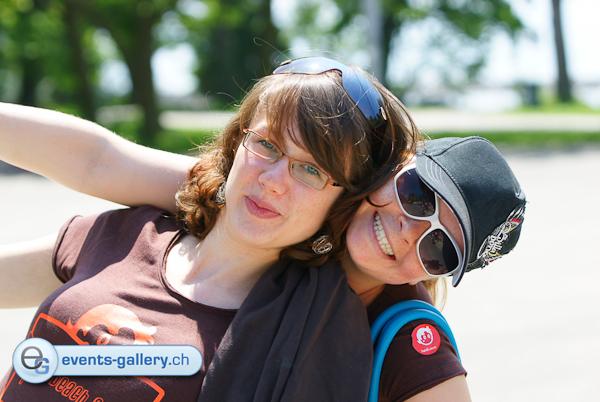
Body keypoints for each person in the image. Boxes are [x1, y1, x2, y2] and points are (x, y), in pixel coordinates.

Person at [0, 59, 526, 401]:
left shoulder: (386, 334)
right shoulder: (147, 228)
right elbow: (100, 160)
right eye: (417, 197)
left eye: (439, 249)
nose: (409, 231)